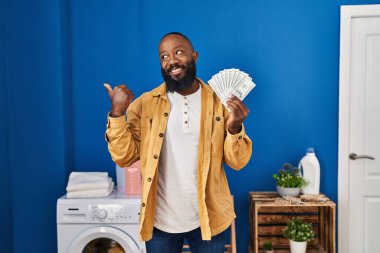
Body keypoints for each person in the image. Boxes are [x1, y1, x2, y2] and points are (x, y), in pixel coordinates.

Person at [104, 32, 252, 253]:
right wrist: (117, 114)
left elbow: (237, 162)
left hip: (209, 218)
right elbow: (124, 156)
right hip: (161, 222)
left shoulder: (220, 102)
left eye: (179, 52)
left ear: (194, 56)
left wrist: (234, 128)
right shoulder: (144, 105)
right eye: (164, 56)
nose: (171, 60)